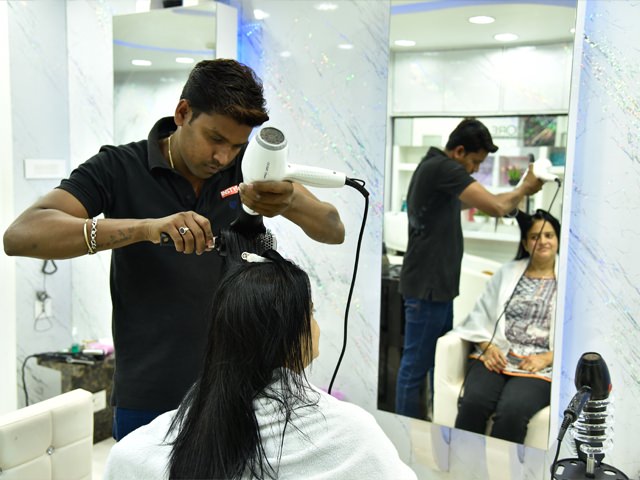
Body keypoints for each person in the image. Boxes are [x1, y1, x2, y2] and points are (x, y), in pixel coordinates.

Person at [3, 59, 345, 440]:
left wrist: (287, 201)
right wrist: (146, 228)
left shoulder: (246, 169)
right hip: (149, 397)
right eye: (215, 139)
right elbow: (22, 235)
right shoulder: (118, 168)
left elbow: (333, 229)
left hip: (238, 394)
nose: (224, 157)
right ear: (183, 113)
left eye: (237, 146)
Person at [103, 249, 417, 480]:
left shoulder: (177, 426)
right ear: (290, 335)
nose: (316, 325)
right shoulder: (351, 433)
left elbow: (126, 459)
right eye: (311, 313)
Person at [395, 118, 543, 420]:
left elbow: (489, 202)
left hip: (436, 288)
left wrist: (512, 198)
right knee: (415, 369)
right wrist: (524, 188)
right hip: (427, 289)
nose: (475, 170)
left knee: (437, 364)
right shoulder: (443, 168)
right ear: (459, 151)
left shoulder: (437, 171)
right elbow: (496, 206)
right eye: (475, 162)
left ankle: (433, 428)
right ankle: (405, 434)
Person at [453, 209, 560, 444]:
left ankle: (501, 466)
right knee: (473, 403)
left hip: (539, 366)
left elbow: (578, 337)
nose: (542, 241)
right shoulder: (508, 272)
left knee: (512, 411)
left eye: (549, 235)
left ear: (558, 240)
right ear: (525, 243)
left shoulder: (570, 280)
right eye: (535, 236)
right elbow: (479, 316)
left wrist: (547, 357)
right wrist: (488, 346)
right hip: (496, 355)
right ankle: (463, 462)